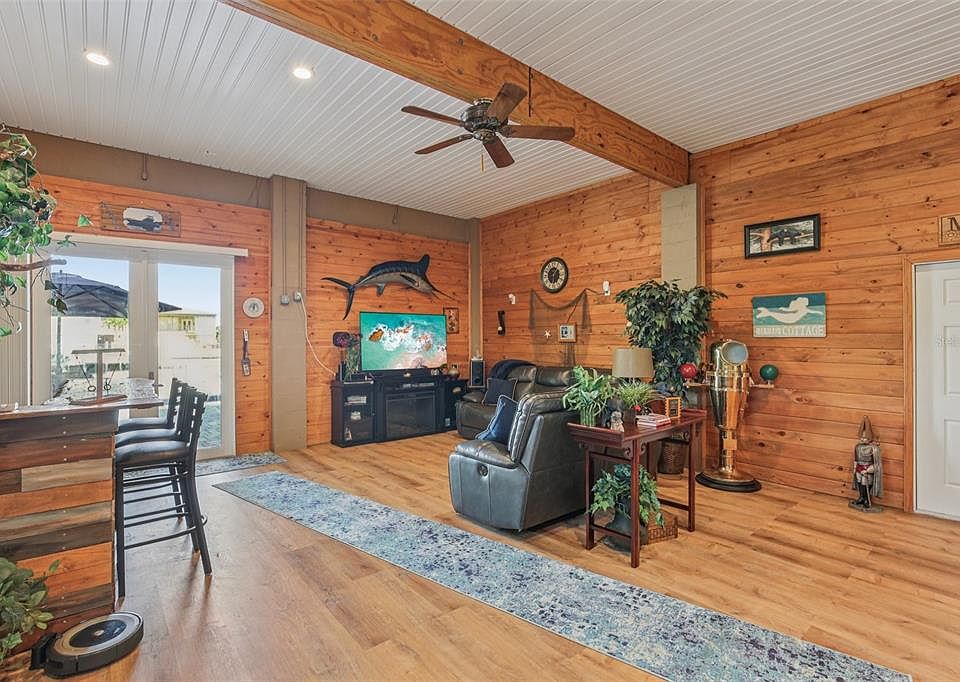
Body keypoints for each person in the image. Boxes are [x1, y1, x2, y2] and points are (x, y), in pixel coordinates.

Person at [850, 416, 883, 513]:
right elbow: (856, 459)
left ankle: (866, 500)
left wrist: (868, 470)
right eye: (862, 437)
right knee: (859, 482)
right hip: (859, 468)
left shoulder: (874, 448)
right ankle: (861, 498)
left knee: (866, 483)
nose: (863, 439)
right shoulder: (857, 447)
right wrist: (855, 468)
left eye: (865, 437)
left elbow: (876, 463)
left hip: (867, 469)